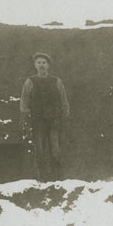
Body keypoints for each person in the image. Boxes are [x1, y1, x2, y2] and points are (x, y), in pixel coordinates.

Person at [19, 52, 70, 182]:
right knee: (39, 151)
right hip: (38, 122)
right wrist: (27, 114)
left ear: (48, 65)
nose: (41, 65)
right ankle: (41, 180)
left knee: (55, 151)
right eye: (39, 63)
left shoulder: (56, 81)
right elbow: (24, 101)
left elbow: (63, 100)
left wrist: (64, 113)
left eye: (44, 63)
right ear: (35, 65)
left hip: (54, 122)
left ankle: (56, 180)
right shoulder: (30, 82)